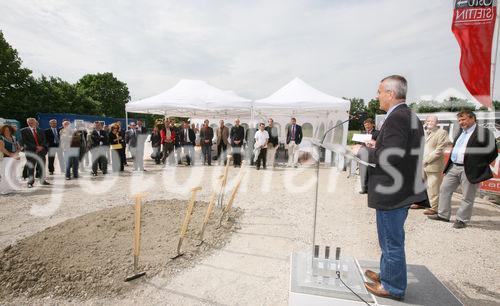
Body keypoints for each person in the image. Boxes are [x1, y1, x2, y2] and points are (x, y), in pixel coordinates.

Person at [353, 75, 426, 300]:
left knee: (391, 241)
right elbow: (400, 149)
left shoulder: (397, 118)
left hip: (392, 191)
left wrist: (363, 152)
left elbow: (391, 156)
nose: (377, 96)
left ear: (391, 94)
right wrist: (378, 144)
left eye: (380, 91)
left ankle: (393, 287)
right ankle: (387, 274)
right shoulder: (406, 115)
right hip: (401, 188)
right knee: (389, 239)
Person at [428, 110, 498, 229]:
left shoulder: (483, 132)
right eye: (459, 120)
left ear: (472, 119)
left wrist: (479, 164)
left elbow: (492, 152)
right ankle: (443, 215)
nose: (461, 122)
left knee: (467, 196)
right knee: (444, 189)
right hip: (454, 166)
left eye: (463, 119)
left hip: (469, 169)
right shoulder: (461, 131)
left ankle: (462, 219)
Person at [411, 115, 449, 214]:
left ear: (437, 123)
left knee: (433, 187)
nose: (429, 123)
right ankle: (420, 202)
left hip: (433, 164)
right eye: (428, 121)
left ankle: (434, 208)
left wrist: (426, 160)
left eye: (432, 121)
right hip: (420, 164)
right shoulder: (423, 133)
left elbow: (439, 150)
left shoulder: (442, 133)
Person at [19, 118, 50, 188]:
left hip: (41, 151)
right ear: (27, 123)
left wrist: (41, 146)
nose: (31, 123)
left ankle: (42, 180)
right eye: (29, 122)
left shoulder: (41, 130)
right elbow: (24, 141)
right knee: (31, 167)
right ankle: (30, 182)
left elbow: (44, 139)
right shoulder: (23, 131)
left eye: (32, 122)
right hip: (31, 151)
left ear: (35, 122)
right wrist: (36, 147)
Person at [359, 118, 379, 194]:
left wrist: (373, 144)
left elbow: (379, 143)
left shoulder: (377, 133)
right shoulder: (362, 133)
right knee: (363, 172)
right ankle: (364, 188)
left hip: (373, 155)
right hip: (363, 155)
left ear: (372, 124)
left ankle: (372, 189)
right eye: (365, 125)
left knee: (372, 172)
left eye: (368, 125)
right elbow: (360, 143)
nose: (366, 126)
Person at [0, 125, 21, 195]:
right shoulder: (1, 138)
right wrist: (11, 155)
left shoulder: (14, 138)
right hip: (5, 158)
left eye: (9, 130)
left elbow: (19, 147)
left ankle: (12, 187)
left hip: (14, 158)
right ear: (3, 131)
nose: (7, 132)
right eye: (5, 130)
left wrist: (16, 153)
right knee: (5, 174)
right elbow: (2, 149)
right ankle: (4, 189)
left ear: (11, 131)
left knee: (13, 173)